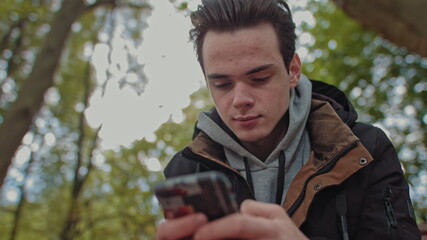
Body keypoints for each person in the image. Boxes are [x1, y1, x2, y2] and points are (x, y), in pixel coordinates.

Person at [156, 0, 421, 239]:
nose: (240, 99)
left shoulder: (366, 150)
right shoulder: (185, 170)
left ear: (293, 70)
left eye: (259, 79)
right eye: (222, 84)